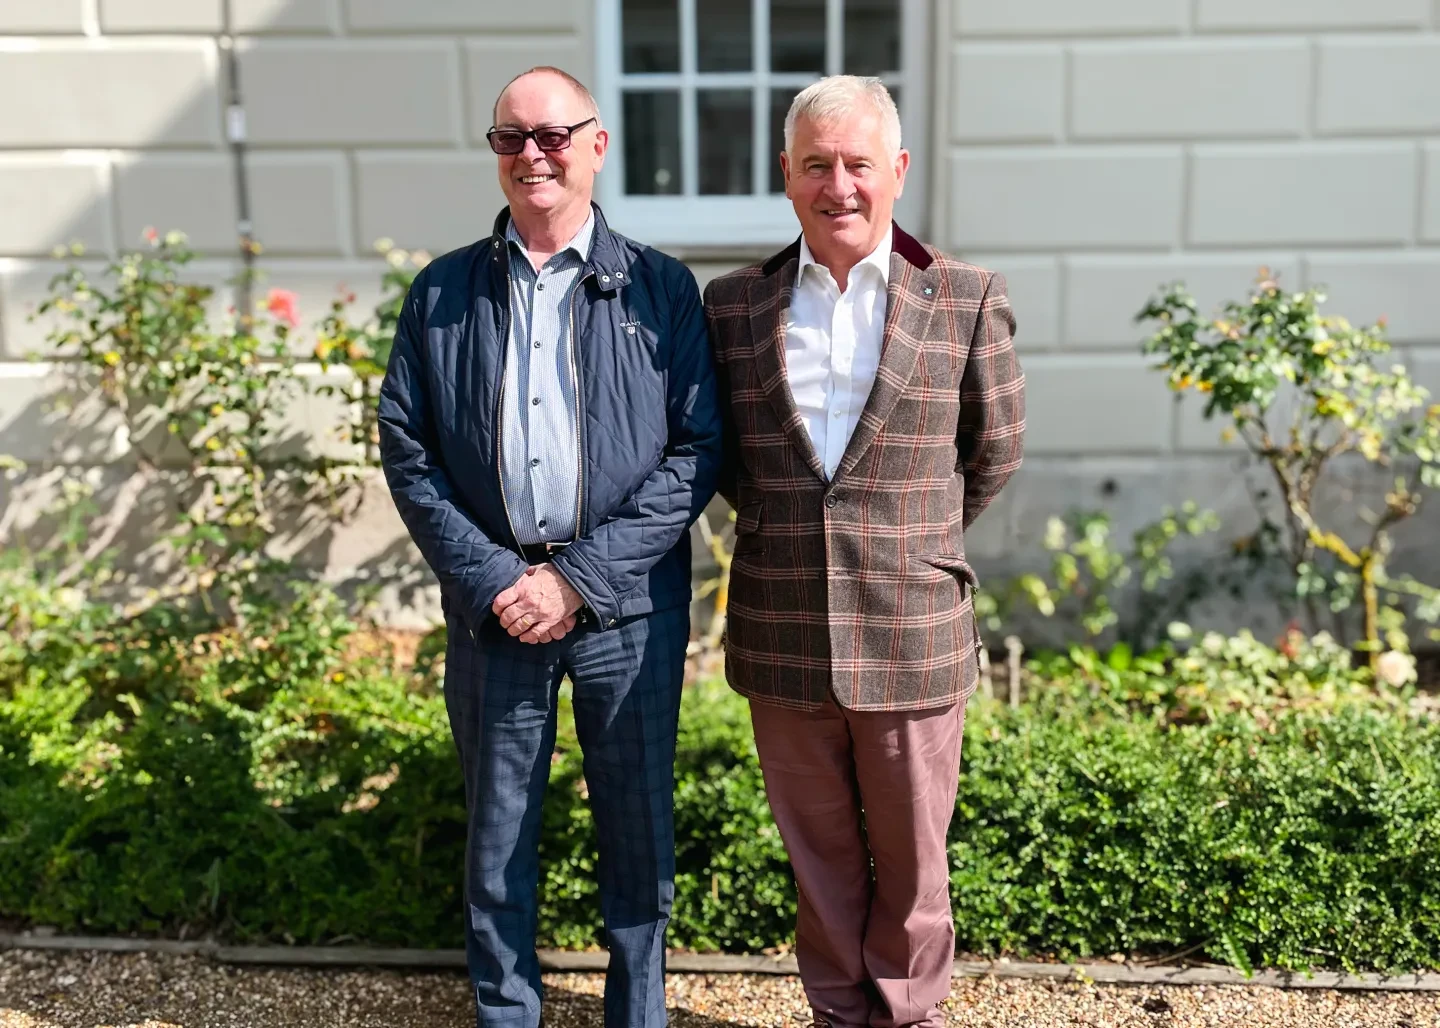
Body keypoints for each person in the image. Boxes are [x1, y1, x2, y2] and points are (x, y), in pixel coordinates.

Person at [377, 65, 722, 1028]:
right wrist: (496, 579)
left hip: (624, 606)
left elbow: (697, 451)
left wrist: (576, 580)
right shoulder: (442, 292)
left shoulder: (660, 288)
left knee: (637, 827)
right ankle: (506, 1013)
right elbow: (407, 453)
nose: (533, 154)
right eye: (511, 139)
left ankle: (637, 1012)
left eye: (553, 136)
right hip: (494, 608)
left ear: (596, 146)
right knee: (497, 837)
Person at [702, 75, 1026, 1028]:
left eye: (856, 163)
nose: (837, 184)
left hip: (912, 628)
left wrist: (910, 540)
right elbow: (722, 453)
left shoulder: (965, 297)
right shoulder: (732, 308)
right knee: (820, 859)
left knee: (918, 865)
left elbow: (994, 450)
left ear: (897, 171)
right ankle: (837, 1016)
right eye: (815, 165)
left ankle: (908, 1015)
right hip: (782, 623)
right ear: (787, 176)